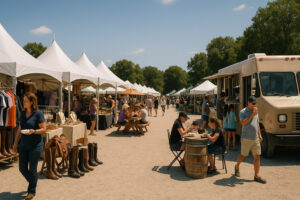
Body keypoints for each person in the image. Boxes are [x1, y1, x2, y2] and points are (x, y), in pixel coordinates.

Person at [13, 92, 46, 200]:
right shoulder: (22, 113)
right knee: (22, 168)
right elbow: (19, 129)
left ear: (32, 102)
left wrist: (35, 131)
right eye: (23, 100)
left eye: (26, 101)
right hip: (23, 145)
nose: (23, 102)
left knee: (32, 170)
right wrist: (15, 143)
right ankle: (33, 182)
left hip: (36, 146)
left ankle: (31, 191)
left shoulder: (38, 114)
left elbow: (44, 129)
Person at [234, 96, 266, 184]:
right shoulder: (243, 112)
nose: (254, 105)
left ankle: (256, 175)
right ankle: (237, 166)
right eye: (253, 103)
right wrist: (252, 115)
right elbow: (243, 123)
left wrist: (259, 135)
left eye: (255, 103)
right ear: (248, 103)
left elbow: (257, 124)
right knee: (243, 155)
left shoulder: (256, 111)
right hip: (246, 138)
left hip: (255, 138)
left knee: (257, 156)